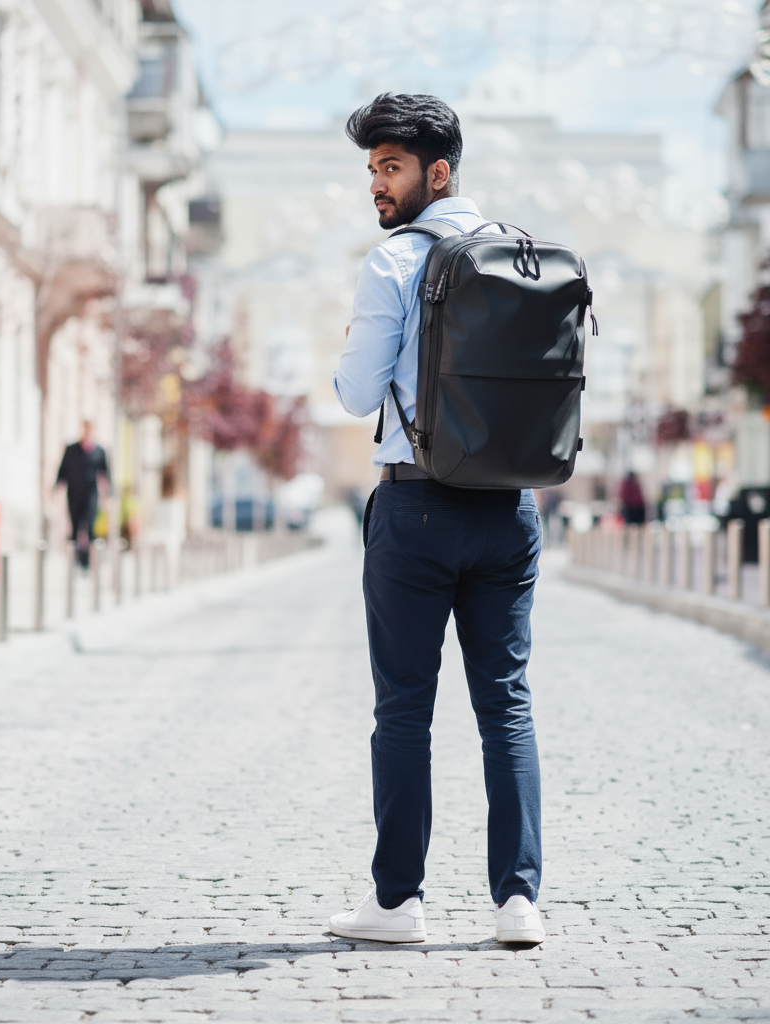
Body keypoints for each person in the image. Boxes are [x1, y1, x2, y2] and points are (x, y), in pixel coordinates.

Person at [328, 93, 545, 945]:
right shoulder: (523, 253)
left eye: (391, 167)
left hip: (416, 505)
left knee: (404, 711)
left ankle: (396, 905)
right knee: (507, 707)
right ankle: (518, 902)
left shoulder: (392, 261)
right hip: (510, 509)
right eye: (372, 169)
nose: (376, 185)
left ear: (439, 172)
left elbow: (355, 394)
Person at [56, 420, 109, 569]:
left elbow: (104, 474)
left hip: (91, 495)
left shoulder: (99, 451)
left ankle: (88, 561)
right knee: (75, 527)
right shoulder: (71, 449)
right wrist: (57, 489)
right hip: (74, 494)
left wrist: (107, 495)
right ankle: (74, 560)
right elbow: (62, 470)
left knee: (89, 527)